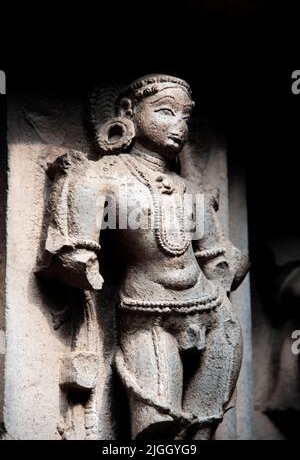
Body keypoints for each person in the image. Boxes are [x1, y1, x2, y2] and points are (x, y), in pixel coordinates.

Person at [39, 74, 249, 440]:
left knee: (203, 432)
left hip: (215, 319)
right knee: (155, 427)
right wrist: (81, 261)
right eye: (166, 112)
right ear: (128, 111)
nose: (179, 126)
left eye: (186, 117)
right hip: (147, 314)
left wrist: (221, 287)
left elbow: (218, 260)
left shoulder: (189, 190)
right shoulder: (100, 179)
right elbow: (71, 255)